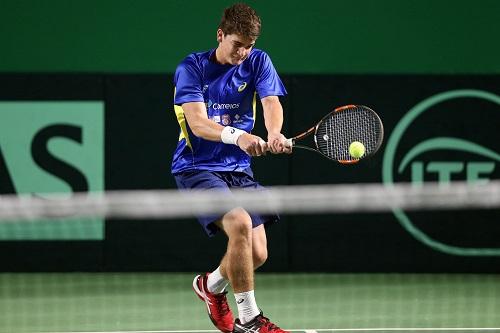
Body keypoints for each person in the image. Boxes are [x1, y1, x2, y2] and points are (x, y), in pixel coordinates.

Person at [171, 3, 291, 333]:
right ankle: (250, 320)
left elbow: (271, 103)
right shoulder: (191, 68)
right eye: (237, 44)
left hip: (238, 170)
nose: (242, 53)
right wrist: (239, 136)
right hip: (197, 167)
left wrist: (274, 133)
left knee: (258, 253)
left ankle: (210, 286)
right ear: (220, 35)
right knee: (238, 221)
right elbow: (197, 123)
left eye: (248, 46)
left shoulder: (258, 61)